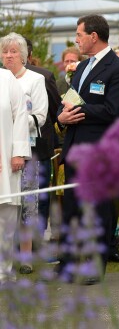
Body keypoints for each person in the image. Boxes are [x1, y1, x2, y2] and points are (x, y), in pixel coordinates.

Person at [56, 14, 119, 285]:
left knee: (98, 208)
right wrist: (60, 117)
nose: (76, 39)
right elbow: (68, 101)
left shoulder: (118, 69)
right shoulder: (83, 67)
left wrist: (79, 110)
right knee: (72, 208)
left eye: (79, 34)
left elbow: (113, 110)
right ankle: (67, 262)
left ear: (94, 36)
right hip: (75, 148)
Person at [0, 32, 49, 275]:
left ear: (24, 55)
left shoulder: (35, 80)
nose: (8, 56)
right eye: (5, 52)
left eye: (13, 52)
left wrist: (16, 122)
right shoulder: (2, 79)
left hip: (27, 149)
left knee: (28, 202)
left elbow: (40, 116)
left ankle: (27, 255)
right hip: (3, 148)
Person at [24, 38, 61, 249]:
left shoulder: (43, 76)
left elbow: (55, 109)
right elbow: (57, 110)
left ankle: (35, 241)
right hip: (14, 146)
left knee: (40, 193)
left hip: (39, 143)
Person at [0, 68, 31, 283]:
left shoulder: (6, 78)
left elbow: (20, 115)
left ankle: (3, 270)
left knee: (6, 215)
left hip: (6, 157)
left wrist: (18, 152)